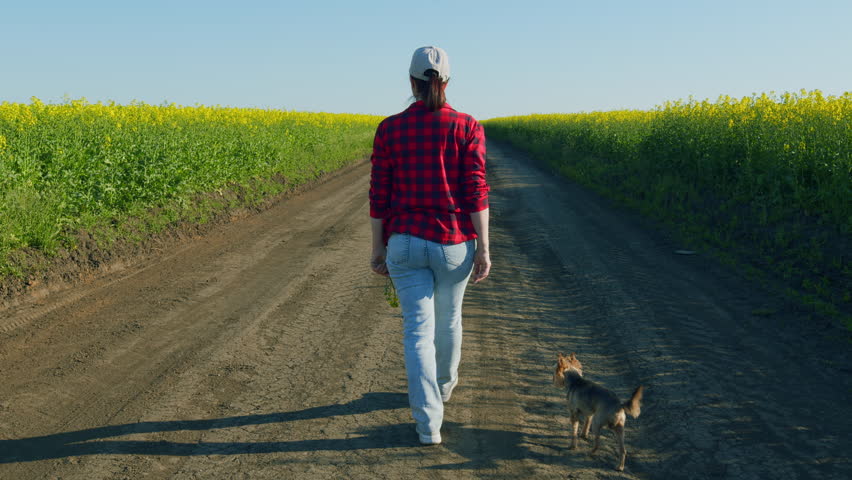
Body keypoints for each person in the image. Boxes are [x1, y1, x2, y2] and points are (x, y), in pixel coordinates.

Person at [368, 45, 491, 446]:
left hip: (404, 241)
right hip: (453, 242)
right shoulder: (468, 126)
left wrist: (377, 248)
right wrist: (485, 248)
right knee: (449, 319)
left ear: (411, 83)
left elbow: (379, 195)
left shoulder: (389, 129)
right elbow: (476, 191)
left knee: (416, 332)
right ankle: (443, 388)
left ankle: (428, 426)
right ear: (447, 82)